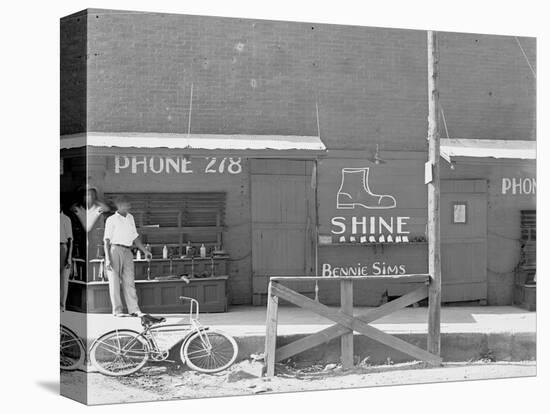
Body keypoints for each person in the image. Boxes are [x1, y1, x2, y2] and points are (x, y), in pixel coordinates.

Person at [103, 196, 152, 317]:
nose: (128, 207)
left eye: (128, 204)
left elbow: (135, 237)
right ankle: (117, 311)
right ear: (119, 206)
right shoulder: (111, 219)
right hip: (114, 249)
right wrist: (108, 258)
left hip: (128, 251)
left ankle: (134, 310)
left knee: (129, 281)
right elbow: (106, 241)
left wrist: (145, 251)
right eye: (125, 204)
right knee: (114, 281)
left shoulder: (131, 218)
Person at [60, 206, 73, 311]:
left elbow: (70, 240)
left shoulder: (66, 219)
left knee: (63, 279)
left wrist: (68, 257)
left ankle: (62, 305)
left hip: (62, 248)